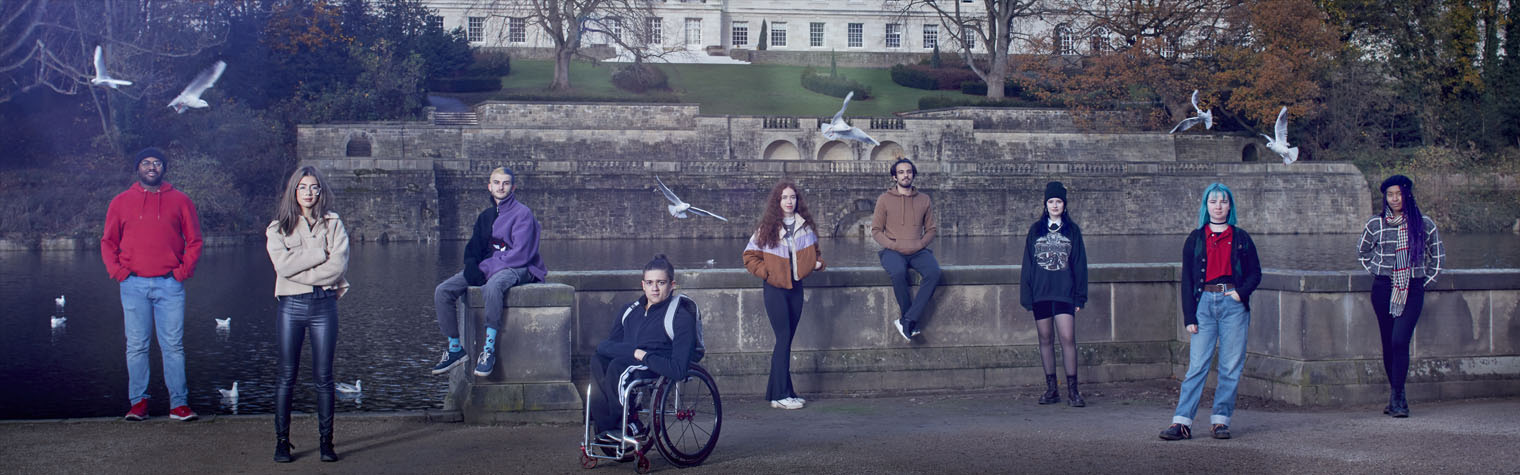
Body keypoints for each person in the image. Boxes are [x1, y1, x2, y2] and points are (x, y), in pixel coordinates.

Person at [101, 147, 203, 422]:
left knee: (173, 346)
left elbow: (194, 241)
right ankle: (139, 403)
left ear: (163, 168)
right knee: (136, 346)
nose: (151, 167)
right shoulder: (120, 202)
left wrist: (182, 273)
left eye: (157, 163)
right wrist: (119, 273)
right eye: (146, 162)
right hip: (133, 285)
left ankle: (179, 405)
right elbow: (108, 242)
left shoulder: (181, 201)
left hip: (170, 285)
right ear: (138, 168)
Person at [1160, 183, 1261, 441]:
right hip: (1203, 302)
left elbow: (1255, 273)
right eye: (1213, 201)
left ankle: (1220, 421)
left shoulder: (1241, 238)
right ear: (1206, 206)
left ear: (1230, 206)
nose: (1218, 206)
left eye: (1223, 201)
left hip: (1233, 305)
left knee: (1230, 366)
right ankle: (1182, 422)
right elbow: (1187, 281)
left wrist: (1240, 292)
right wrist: (1189, 316)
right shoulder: (1195, 238)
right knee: (1197, 365)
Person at [264, 166, 350, 463]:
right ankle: (282, 442)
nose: (309, 193)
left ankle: (327, 443)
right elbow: (282, 268)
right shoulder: (278, 227)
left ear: (321, 191)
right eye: (302, 187)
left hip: (324, 306)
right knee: (286, 376)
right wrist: (318, 255)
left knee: (324, 378)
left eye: (314, 187)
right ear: (294, 191)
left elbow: (337, 267)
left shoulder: (334, 224)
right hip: (291, 307)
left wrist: (302, 268)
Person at [429, 167, 546, 378]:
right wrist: (472, 266)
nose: (501, 187)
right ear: (489, 186)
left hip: (520, 267)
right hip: (489, 266)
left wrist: (487, 269)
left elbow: (520, 254)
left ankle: (488, 349)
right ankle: (455, 348)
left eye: (506, 183)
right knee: (443, 291)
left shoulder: (523, 214)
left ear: (513, 187)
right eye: (497, 182)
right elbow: (474, 247)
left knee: (493, 286)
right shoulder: (487, 215)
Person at [590, 254, 699, 445]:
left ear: (672, 284)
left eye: (661, 282)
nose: (654, 288)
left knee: (617, 366)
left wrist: (644, 356)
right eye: (649, 282)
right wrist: (633, 352)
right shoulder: (630, 311)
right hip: (632, 358)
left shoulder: (681, 316)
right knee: (598, 360)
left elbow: (679, 369)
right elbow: (606, 346)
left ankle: (624, 424)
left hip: (657, 362)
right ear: (643, 285)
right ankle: (605, 426)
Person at [1357, 175, 1443, 418]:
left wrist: (1422, 282)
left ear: (1407, 195)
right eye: (1390, 195)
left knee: (1399, 340)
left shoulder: (1424, 224)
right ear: (1385, 198)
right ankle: (1397, 397)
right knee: (1388, 342)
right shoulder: (1376, 224)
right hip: (1383, 288)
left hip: (1412, 289)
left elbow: (1437, 257)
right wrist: (1378, 270)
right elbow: (1362, 251)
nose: (1395, 199)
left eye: (1399, 194)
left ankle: (1397, 397)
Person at [743, 181, 825, 410]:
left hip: (796, 288)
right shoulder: (766, 228)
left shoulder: (805, 226)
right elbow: (749, 256)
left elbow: (816, 253)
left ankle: (781, 392)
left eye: (792, 197)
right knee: (783, 338)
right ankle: (781, 394)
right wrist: (766, 273)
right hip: (775, 289)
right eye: (784, 198)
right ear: (777, 202)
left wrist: (816, 264)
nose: (789, 201)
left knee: (786, 341)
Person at [1019, 181, 1089, 407]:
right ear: (1045, 204)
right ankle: (1051, 390)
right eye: (1051, 201)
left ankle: (1073, 391)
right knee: (1045, 339)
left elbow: (1080, 264)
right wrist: (1026, 294)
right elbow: (1027, 264)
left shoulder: (1073, 231)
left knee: (1067, 339)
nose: (1055, 205)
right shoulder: (1035, 230)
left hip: (1064, 292)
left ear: (1064, 204)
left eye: (1058, 201)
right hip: (1040, 292)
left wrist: (1080, 295)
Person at [872, 158, 942, 341]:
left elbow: (932, 229)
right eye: (901, 172)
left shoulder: (924, 199)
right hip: (892, 249)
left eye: (909, 172)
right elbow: (876, 231)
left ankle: (908, 319)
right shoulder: (884, 199)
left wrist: (920, 244)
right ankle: (909, 320)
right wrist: (894, 245)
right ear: (894, 177)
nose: (905, 175)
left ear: (913, 175)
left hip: (918, 249)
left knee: (934, 272)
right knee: (897, 272)